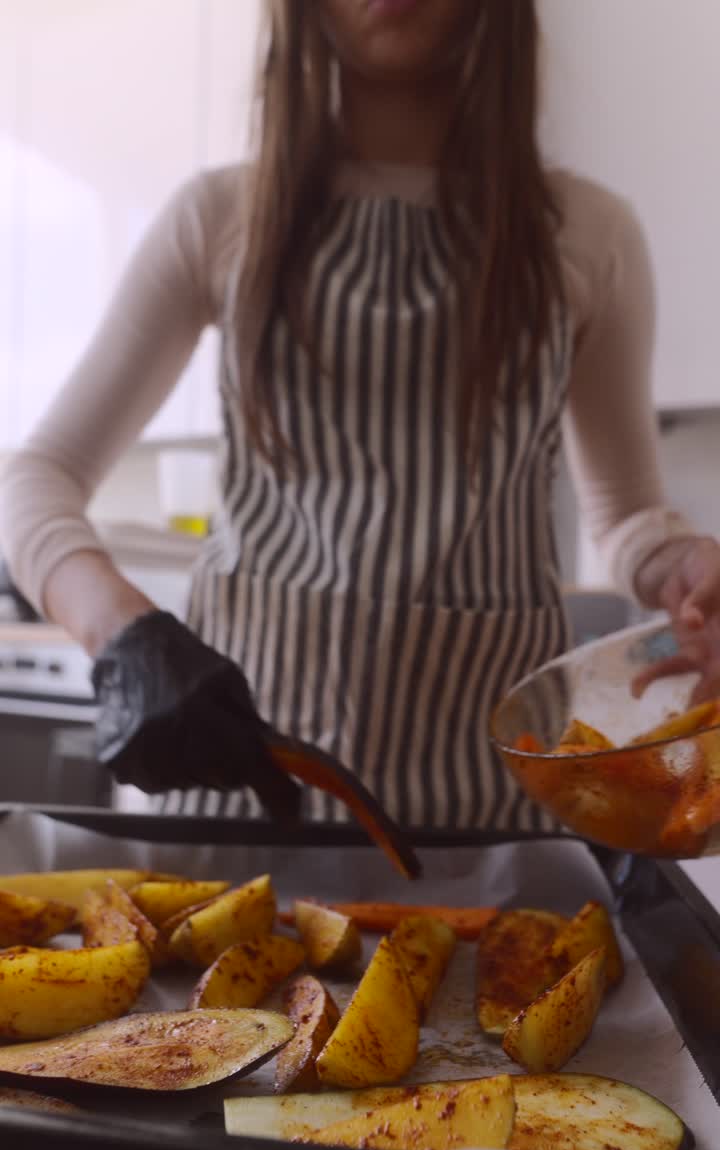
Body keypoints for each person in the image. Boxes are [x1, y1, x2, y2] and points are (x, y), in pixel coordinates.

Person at [2, 0, 720, 835]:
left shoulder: (591, 234)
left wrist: (682, 567)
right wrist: (125, 634)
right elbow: (35, 478)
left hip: (488, 825)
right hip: (233, 810)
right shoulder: (217, 217)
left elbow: (629, 515)